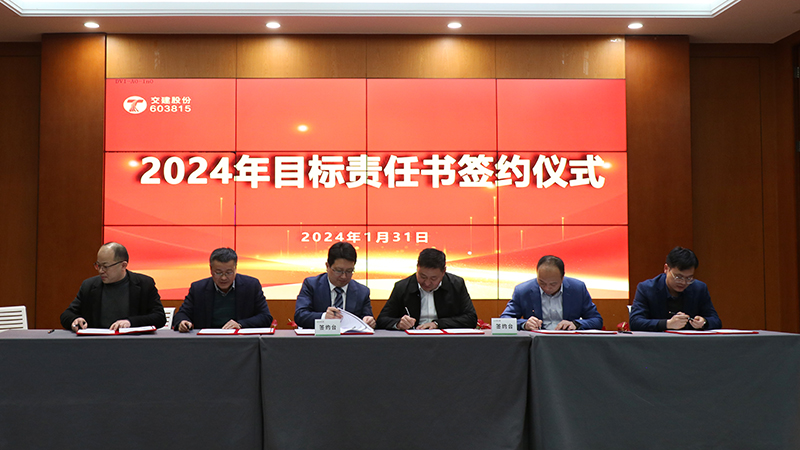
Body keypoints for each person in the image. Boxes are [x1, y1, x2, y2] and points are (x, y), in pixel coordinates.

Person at [61, 242, 166, 331]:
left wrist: (130, 322)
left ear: (123, 265)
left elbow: (159, 318)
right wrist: (75, 320)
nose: (101, 271)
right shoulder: (89, 286)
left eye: (105, 266)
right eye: (98, 265)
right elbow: (66, 315)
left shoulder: (144, 284)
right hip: (97, 343)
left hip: (132, 343)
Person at [174, 247, 273, 331]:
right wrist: (183, 322)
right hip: (207, 342)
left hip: (240, 341)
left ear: (235, 268)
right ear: (211, 270)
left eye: (229, 272)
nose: (224, 278)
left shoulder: (251, 286)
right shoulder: (198, 288)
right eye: (218, 273)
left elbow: (266, 317)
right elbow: (181, 314)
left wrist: (240, 324)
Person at [377, 248, 477, 330]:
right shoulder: (402, 287)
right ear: (417, 268)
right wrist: (399, 323)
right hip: (412, 340)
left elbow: (471, 318)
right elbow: (382, 319)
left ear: (443, 272)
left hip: (446, 340)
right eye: (423, 276)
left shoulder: (456, 284)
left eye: (433, 278)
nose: (427, 283)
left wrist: (437, 324)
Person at [629, 246, 721, 331]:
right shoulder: (647, 288)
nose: (683, 282)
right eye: (679, 277)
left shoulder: (699, 288)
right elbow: (635, 322)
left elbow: (716, 320)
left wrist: (704, 322)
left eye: (689, 278)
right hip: (656, 342)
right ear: (666, 269)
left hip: (690, 342)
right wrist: (667, 324)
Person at [500, 255, 603, 331]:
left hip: (569, 343)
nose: (547, 288)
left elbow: (597, 320)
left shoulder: (577, 289)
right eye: (542, 282)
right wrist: (525, 324)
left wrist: (575, 324)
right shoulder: (523, 290)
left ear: (562, 277)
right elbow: (504, 320)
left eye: (553, 284)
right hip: (536, 344)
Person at [294, 242, 374, 329]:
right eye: (339, 271)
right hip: (319, 337)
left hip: (350, 337)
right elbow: (300, 315)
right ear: (327, 266)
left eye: (349, 271)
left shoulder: (362, 292)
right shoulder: (312, 285)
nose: (344, 276)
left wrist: (368, 321)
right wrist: (324, 317)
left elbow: (367, 318)